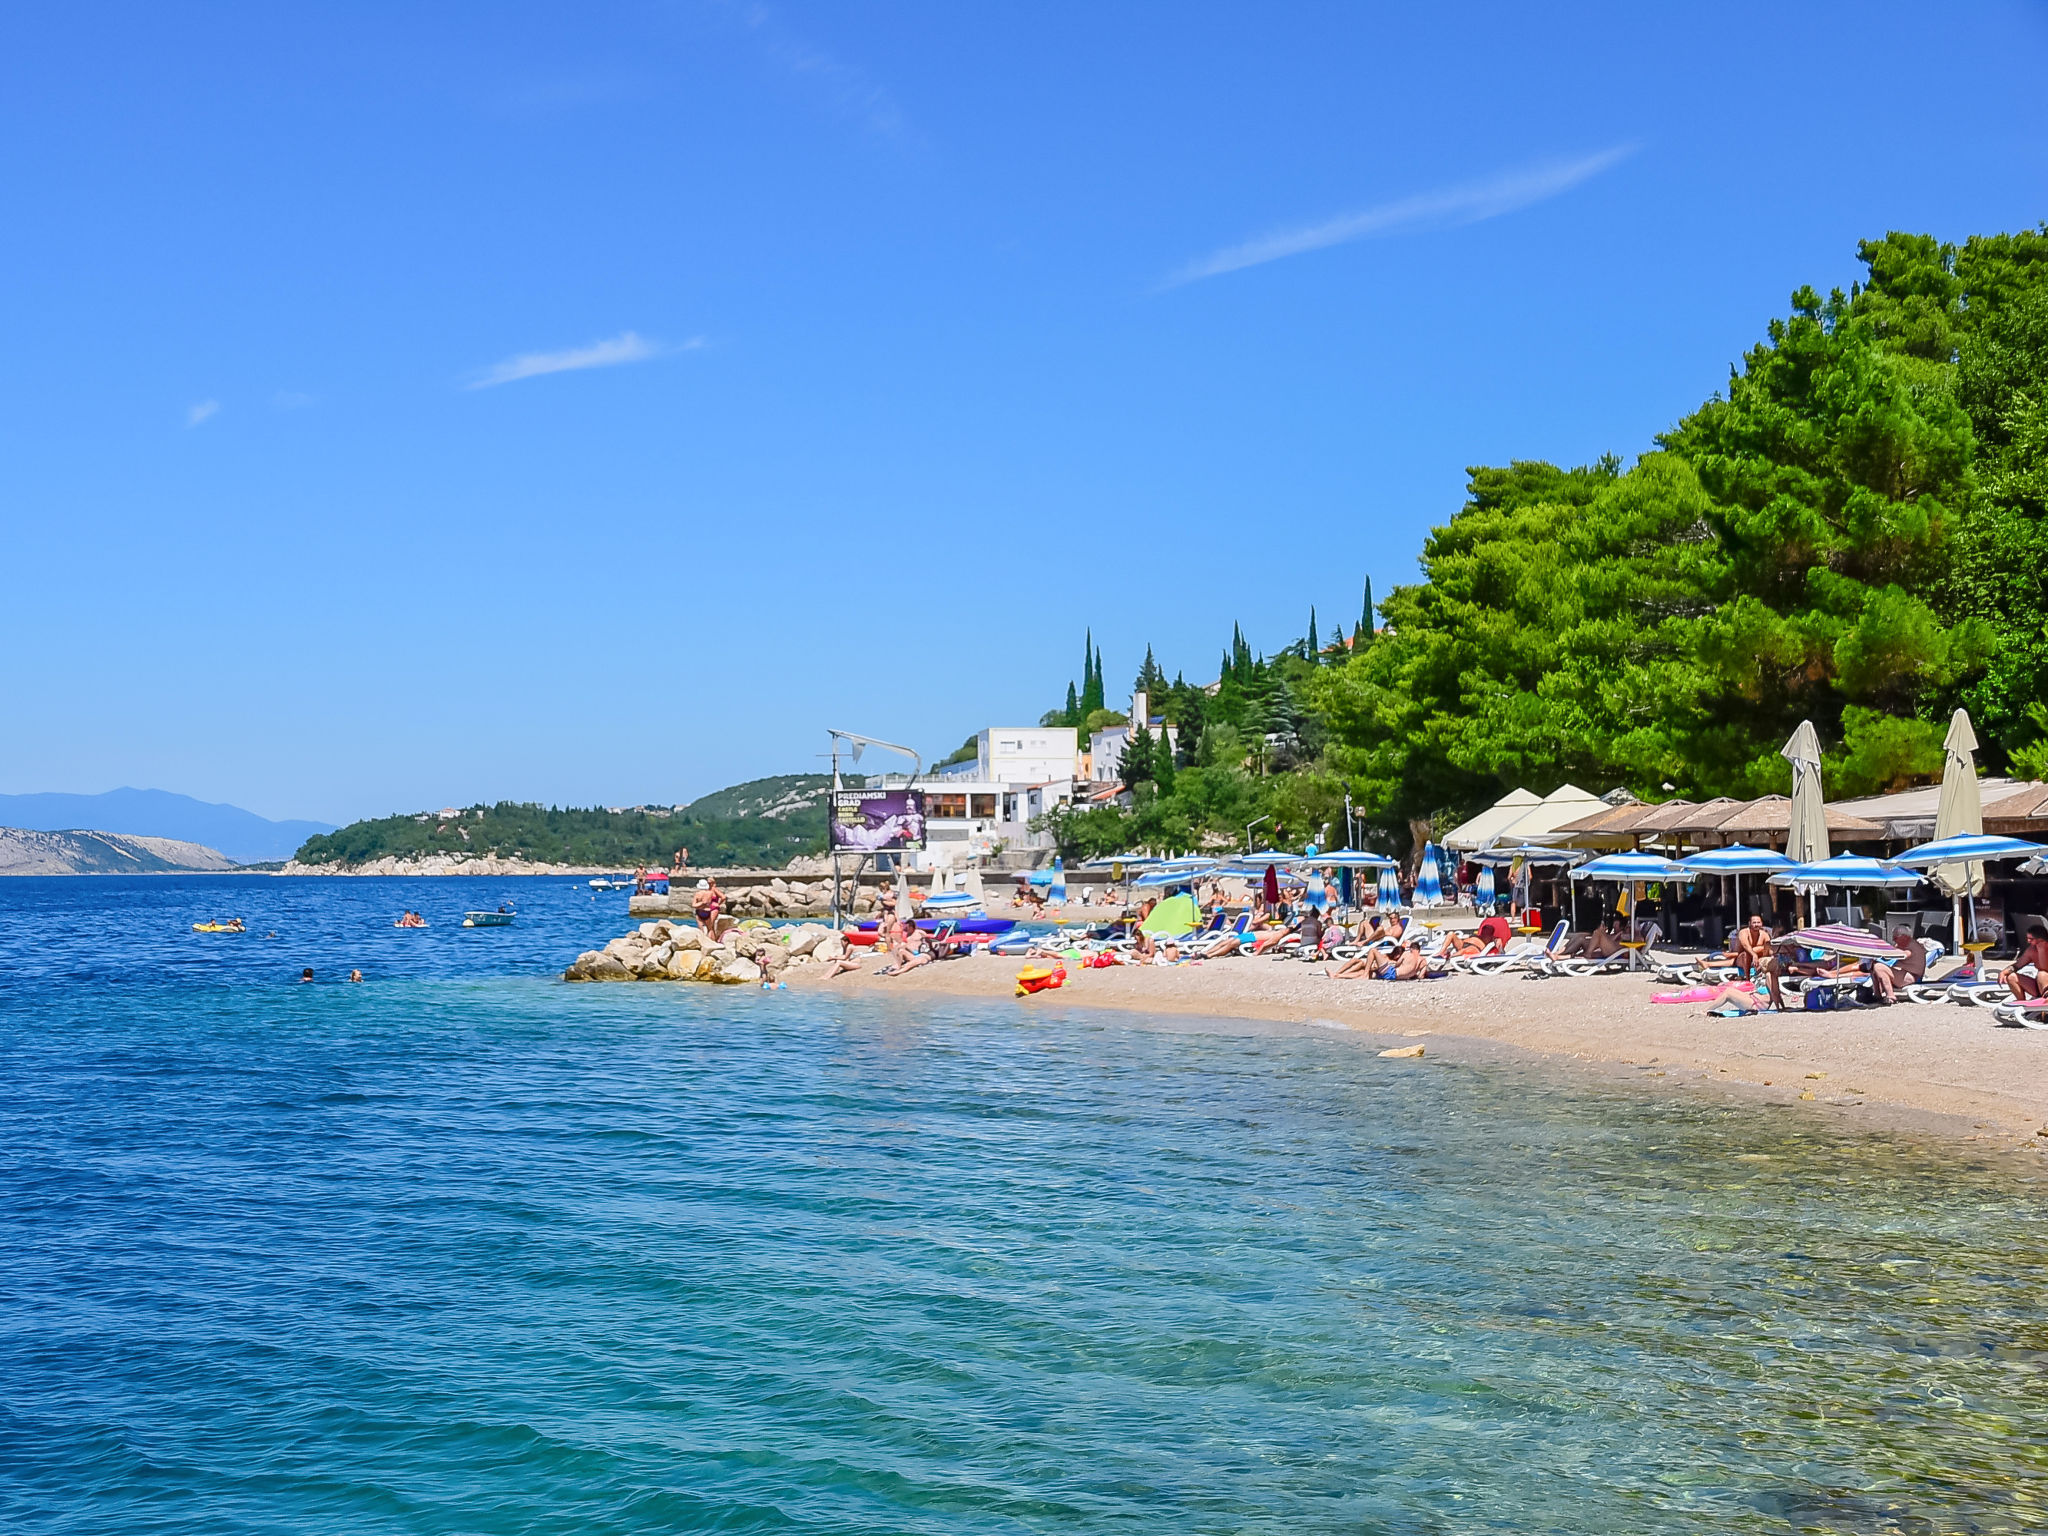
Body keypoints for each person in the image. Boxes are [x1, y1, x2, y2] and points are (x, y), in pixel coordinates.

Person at [1868, 928, 1928, 1003]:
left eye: (1895, 937)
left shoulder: (1911, 946)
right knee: (1873, 965)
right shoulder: (1904, 943)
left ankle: (1890, 996)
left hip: (1912, 977)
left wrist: (1887, 953)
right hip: (1906, 974)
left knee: (1879, 967)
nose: (1893, 939)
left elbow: (1905, 954)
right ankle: (1877, 994)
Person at [2003, 924, 2048, 1002]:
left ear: (2041, 939)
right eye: (2028, 938)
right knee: (2012, 977)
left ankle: (2045, 1007)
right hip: (2040, 986)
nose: (2028, 941)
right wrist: (2004, 972)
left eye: (2031, 939)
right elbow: (2017, 965)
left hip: (2045, 983)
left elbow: (2044, 968)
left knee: (2042, 974)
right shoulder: (2031, 950)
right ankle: (2022, 1005)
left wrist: (2042, 950)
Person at [1732, 914, 1774, 978]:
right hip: (1742, 959)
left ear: (1761, 923)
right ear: (1749, 923)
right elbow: (1745, 945)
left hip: (1758, 959)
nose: (1756, 924)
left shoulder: (1764, 934)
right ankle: (1747, 978)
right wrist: (1754, 954)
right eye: (1754, 922)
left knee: (1770, 955)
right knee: (1746, 954)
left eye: (1758, 922)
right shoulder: (1743, 932)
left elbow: (1769, 948)